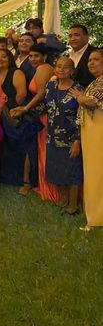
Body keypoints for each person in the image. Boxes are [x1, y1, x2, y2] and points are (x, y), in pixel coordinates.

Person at [10, 44, 58, 202]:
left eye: (36, 56)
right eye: (30, 56)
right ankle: (33, 181)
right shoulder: (41, 68)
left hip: (43, 116)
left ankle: (43, 185)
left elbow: (42, 93)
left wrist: (25, 108)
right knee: (35, 149)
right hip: (39, 113)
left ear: (44, 57)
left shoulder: (43, 69)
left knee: (41, 149)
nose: (33, 59)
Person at [0, 48, 38, 188]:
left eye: (3, 56)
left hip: (16, 115)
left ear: (10, 59)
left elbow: (21, 94)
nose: (0, 59)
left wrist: (11, 109)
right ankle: (5, 177)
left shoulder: (16, 73)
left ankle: (24, 179)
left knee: (21, 147)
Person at [69, 48, 103, 231]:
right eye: (89, 60)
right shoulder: (95, 82)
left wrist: (79, 97)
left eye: (96, 59)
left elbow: (91, 102)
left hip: (99, 133)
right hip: (91, 133)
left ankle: (97, 216)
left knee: (97, 172)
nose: (91, 63)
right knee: (93, 171)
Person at [44, 57, 83, 215]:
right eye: (59, 66)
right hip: (52, 136)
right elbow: (45, 107)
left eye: (66, 67)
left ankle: (73, 205)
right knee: (56, 168)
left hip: (70, 138)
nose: (61, 70)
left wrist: (77, 141)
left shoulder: (77, 89)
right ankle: (62, 199)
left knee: (72, 171)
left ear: (72, 71)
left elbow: (82, 116)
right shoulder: (50, 86)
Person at [68, 24, 95, 88]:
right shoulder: (67, 56)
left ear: (87, 37)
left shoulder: (95, 54)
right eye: (70, 36)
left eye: (76, 35)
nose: (73, 39)